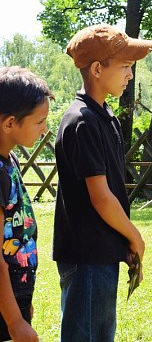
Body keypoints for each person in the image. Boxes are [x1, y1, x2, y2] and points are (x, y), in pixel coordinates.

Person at [53, 24, 152, 341]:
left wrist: (119, 242)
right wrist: (134, 236)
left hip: (100, 254)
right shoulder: (81, 120)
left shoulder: (103, 116)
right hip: (86, 259)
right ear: (97, 69)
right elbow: (101, 197)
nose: (130, 75)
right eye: (125, 66)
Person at [0, 66, 53, 342]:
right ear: (9, 123)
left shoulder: (11, 160)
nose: (45, 128)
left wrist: (20, 307)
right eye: (39, 121)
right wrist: (14, 321)